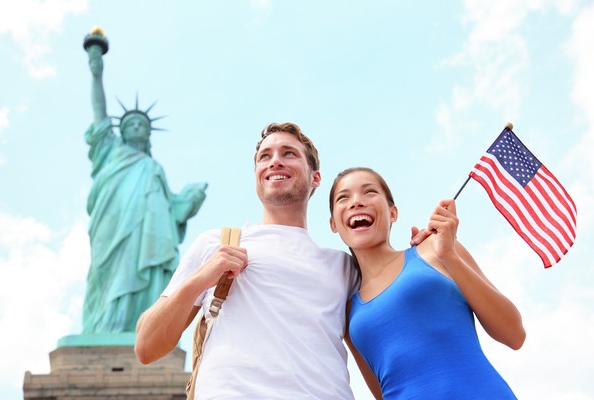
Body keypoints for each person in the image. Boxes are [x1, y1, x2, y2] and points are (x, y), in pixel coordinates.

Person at [134, 122, 359, 399]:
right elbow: (146, 346)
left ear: (315, 178)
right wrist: (200, 280)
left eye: (289, 153)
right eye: (265, 156)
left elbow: (376, 352)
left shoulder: (344, 267)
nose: (275, 161)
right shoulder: (216, 243)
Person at [329, 167, 526, 400]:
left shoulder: (435, 249)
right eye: (343, 197)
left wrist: (449, 255)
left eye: (369, 192)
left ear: (393, 213)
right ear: (333, 224)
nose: (356, 202)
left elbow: (514, 334)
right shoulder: (348, 310)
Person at [82, 38, 207, 333]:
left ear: (148, 134)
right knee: (107, 277)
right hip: (112, 229)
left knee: (149, 275)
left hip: (149, 236)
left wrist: (189, 200)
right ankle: (102, 330)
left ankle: (142, 330)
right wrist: (96, 72)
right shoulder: (109, 151)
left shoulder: (154, 168)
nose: (137, 126)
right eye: (131, 124)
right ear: (121, 131)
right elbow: (100, 114)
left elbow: (170, 209)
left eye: (143, 124)